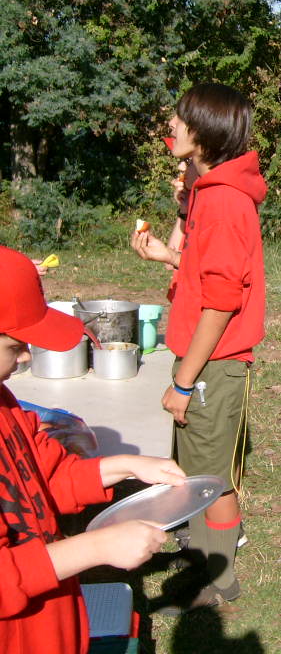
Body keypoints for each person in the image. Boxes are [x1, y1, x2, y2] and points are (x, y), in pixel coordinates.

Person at [0, 245, 185, 654]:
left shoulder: (5, 404)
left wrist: (125, 465)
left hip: (50, 622)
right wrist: (96, 547)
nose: (27, 355)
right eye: (15, 345)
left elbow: (45, 476)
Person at [130, 83, 266, 612]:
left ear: (205, 132)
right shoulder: (209, 193)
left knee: (213, 480)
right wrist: (172, 248)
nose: (171, 126)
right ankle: (205, 556)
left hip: (214, 363)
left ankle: (220, 581)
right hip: (200, 359)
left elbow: (221, 304)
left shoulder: (226, 202)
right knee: (197, 470)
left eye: (180, 119)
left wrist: (184, 383)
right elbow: (202, 269)